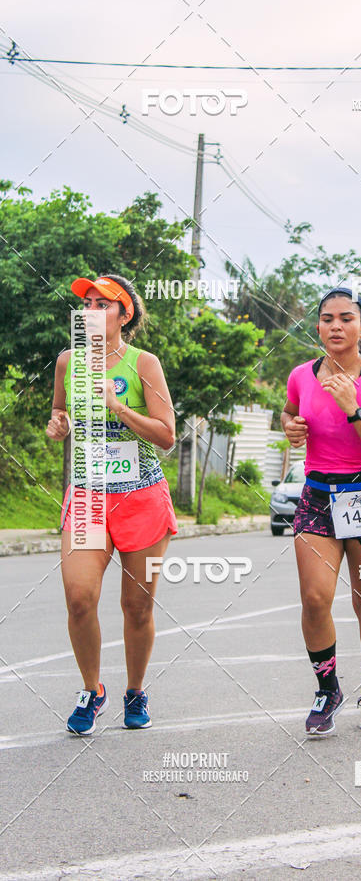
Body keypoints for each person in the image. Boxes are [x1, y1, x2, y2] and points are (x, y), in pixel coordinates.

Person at [46, 275, 178, 734]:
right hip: (87, 496)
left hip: (141, 496)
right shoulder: (68, 362)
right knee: (80, 599)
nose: (91, 311)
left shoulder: (144, 364)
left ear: (125, 315)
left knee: (137, 606)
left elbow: (166, 436)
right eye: (86, 303)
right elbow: (59, 412)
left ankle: (135, 690)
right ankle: (92, 689)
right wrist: (58, 424)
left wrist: (119, 408)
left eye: (104, 304)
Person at [281, 287, 361, 735]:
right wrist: (291, 428)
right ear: (318, 326)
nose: (336, 325)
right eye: (327, 318)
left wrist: (353, 409)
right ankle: (327, 687)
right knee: (314, 599)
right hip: (316, 498)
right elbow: (290, 414)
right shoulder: (301, 375)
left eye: (346, 318)